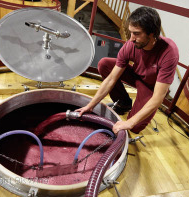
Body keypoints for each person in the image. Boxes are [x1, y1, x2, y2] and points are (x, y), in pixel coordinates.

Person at [76, 6, 179, 134]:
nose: (131, 39)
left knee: (134, 127)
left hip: (151, 88)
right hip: (136, 75)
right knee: (104, 64)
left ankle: (132, 113)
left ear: (152, 33)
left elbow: (158, 97)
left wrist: (130, 122)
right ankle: (124, 103)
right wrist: (90, 106)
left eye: (136, 34)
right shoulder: (131, 45)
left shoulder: (169, 52)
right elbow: (111, 79)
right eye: (131, 32)